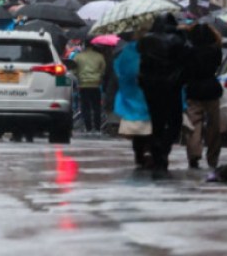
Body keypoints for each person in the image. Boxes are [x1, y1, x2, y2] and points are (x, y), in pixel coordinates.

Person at [137, 14, 190, 176]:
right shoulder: (177, 40)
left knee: (157, 122)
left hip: (150, 88)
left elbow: (142, 61)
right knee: (175, 121)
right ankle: (164, 148)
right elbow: (184, 60)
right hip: (171, 87)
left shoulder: (145, 40)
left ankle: (157, 148)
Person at [183, 23, 223, 170]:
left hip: (193, 90)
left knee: (193, 125)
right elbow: (218, 65)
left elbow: (185, 70)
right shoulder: (215, 51)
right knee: (214, 126)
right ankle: (213, 157)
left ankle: (194, 154)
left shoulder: (188, 52)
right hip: (211, 90)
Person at [113, 36, 151, 170]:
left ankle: (140, 153)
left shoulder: (130, 53)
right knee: (147, 127)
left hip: (136, 96)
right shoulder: (154, 51)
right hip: (146, 95)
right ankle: (146, 152)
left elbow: (121, 73)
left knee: (138, 129)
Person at [73, 42, 106, 134]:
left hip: (83, 85)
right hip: (95, 85)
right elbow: (103, 70)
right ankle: (97, 128)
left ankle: (88, 128)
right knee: (96, 107)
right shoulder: (99, 56)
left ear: (84, 45)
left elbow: (74, 70)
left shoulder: (78, 56)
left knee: (85, 107)